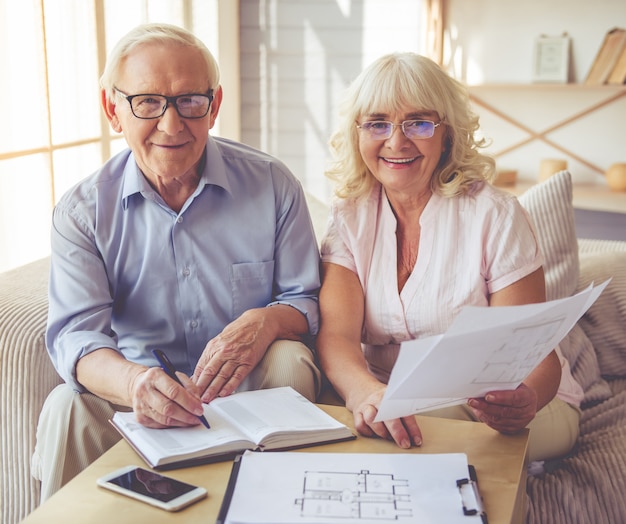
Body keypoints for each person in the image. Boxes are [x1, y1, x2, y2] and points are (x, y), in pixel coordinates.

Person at [32, 23, 321, 500]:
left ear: (215, 105)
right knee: (67, 405)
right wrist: (136, 384)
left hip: (248, 397)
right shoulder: (82, 212)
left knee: (290, 359)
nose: (172, 125)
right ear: (113, 109)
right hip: (135, 399)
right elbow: (77, 339)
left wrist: (266, 320)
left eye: (190, 101)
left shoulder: (272, 185)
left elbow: (304, 300)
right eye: (148, 102)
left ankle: (290, 505)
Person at [317, 52, 583, 463]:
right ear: (358, 134)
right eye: (377, 123)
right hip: (386, 396)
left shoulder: (494, 214)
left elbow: (535, 356)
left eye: (419, 123)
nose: (396, 141)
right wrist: (367, 391)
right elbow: (336, 338)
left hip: (505, 405)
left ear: (447, 135)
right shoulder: (348, 216)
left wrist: (524, 401)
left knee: (412, 430)